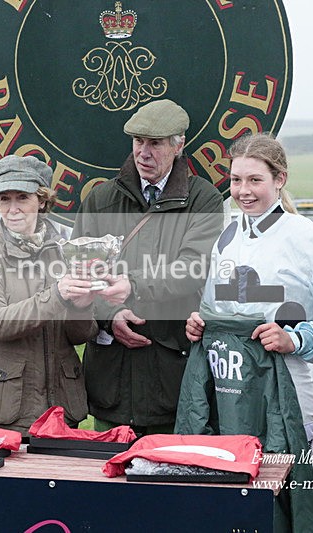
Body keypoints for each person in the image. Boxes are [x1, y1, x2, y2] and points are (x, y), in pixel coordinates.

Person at [176, 133, 313, 531]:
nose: (243, 191)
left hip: (287, 388)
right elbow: (214, 309)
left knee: (282, 500)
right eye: (236, 181)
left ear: (279, 179)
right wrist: (199, 323)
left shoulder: (312, 239)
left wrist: (295, 339)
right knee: (228, 501)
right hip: (228, 390)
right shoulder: (226, 235)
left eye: (255, 180)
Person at [72, 99, 224, 434]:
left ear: (178, 144)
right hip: (111, 380)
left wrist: (133, 285)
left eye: (155, 143)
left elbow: (193, 267)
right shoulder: (101, 200)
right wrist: (110, 316)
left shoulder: (203, 200)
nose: (143, 152)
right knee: (105, 479)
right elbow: (80, 275)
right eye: (138, 142)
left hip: (172, 375)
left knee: (169, 480)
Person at [0, 155, 98, 435]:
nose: (12, 209)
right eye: (4, 199)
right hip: (9, 413)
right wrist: (58, 295)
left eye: (22, 198)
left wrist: (81, 308)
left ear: (41, 200)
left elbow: (78, 336)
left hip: (63, 410)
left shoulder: (66, 252)